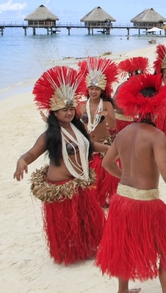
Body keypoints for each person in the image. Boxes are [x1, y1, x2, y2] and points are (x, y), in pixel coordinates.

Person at [96, 73, 166, 293]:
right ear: (157, 107)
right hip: (146, 203)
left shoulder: (123, 133)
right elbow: (165, 170)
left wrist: (124, 178)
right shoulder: (156, 135)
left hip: (121, 201)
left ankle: (122, 291)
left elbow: (107, 164)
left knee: (124, 248)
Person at [13, 66, 107, 265]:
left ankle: (87, 248)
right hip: (60, 188)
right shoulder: (50, 135)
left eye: (71, 109)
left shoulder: (77, 129)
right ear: (54, 113)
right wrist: (22, 161)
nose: (69, 112)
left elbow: (91, 146)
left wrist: (112, 149)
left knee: (86, 220)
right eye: (64, 109)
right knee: (66, 227)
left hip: (79, 182)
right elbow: (32, 153)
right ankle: (72, 252)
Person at [77, 56, 120, 207]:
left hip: (104, 143)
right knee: (92, 175)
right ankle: (96, 200)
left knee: (105, 175)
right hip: (89, 145)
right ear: (87, 90)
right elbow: (75, 125)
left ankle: (105, 199)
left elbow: (113, 125)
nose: (93, 91)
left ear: (102, 90)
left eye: (96, 89)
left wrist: (107, 116)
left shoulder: (107, 104)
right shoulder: (82, 106)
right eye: (91, 88)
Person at [114, 57, 149, 133]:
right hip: (122, 122)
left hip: (134, 121)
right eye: (140, 75)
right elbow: (115, 105)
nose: (143, 76)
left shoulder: (142, 86)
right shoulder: (123, 87)